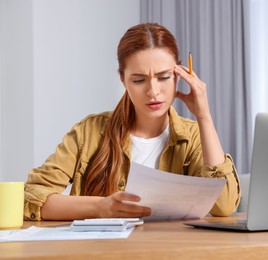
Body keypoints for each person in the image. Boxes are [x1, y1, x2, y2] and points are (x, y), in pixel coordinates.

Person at [24, 23, 241, 221]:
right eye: (138, 80)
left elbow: (223, 206)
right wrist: (100, 207)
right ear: (122, 79)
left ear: (180, 74)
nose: (153, 92)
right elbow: (30, 197)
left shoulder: (193, 136)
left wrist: (204, 116)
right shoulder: (88, 132)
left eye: (164, 77)